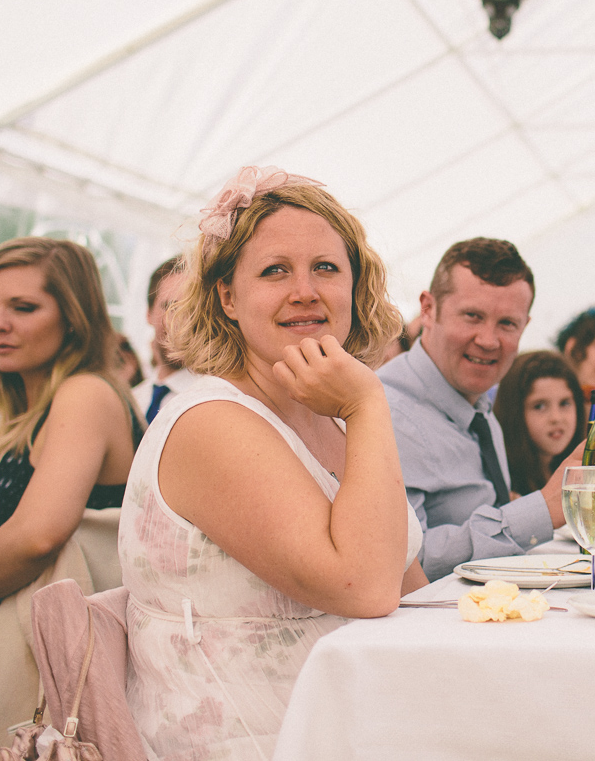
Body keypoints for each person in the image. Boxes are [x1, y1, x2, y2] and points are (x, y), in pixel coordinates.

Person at [120, 166, 424, 760]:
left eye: (326, 268)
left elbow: (405, 584)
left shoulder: (328, 420)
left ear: (354, 288)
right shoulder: (212, 422)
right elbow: (363, 589)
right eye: (275, 270)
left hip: (354, 726)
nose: (305, 290)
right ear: (228, 297)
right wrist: (367, 402)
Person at [0, 238, 141, 710]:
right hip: (38, 626)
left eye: (24, 307)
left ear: (73, 319)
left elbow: (38, 534)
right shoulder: (31, 404)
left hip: (71, 647)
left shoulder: (85, 393)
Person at [380, 238, 577, 581]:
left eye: (507, 324)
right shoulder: (388, 413)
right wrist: (543, 509)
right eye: (473, 316)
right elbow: (406, 562)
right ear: (427, 309)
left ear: (525, 327)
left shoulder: (477, 405)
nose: (488, 340)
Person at [495, 350, 585, 497]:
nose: (556, 418)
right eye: (539, 406)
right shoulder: (506, 487)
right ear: (514, 413)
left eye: (565, 403)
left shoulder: (579, 472)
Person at [130, 255, 204, 422]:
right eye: (170, 307)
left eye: (191, 309)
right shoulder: (132, 401)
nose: (181, 321)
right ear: (148, 314)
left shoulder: (212, 401)